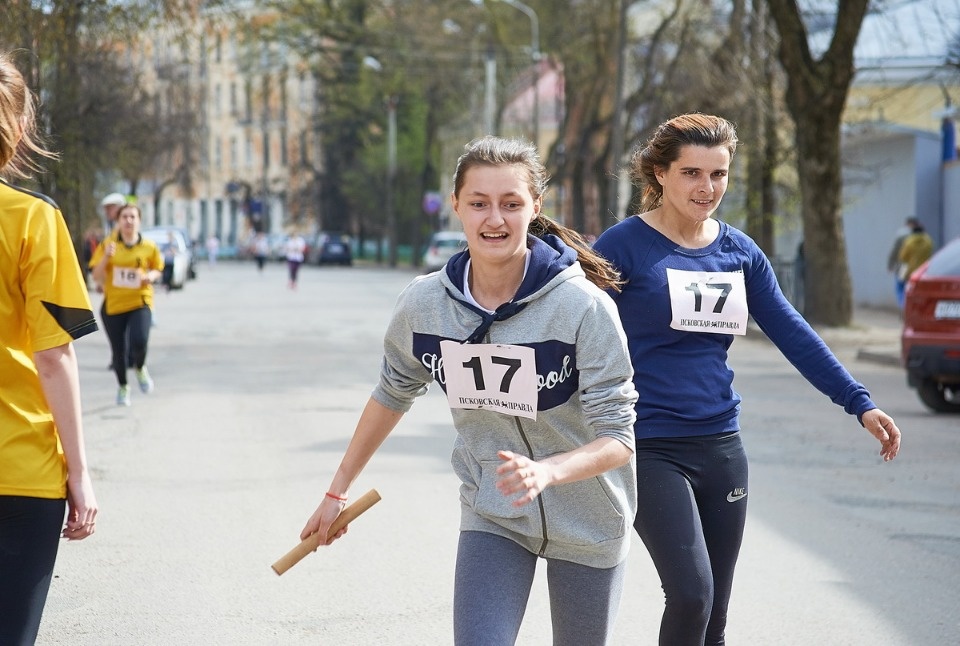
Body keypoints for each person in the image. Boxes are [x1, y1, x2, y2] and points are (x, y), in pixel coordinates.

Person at [300, 136, 639, 645]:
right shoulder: (425, 304)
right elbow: (393, 391)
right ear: (456, 205)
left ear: (536, 207)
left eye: (510, 204)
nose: (494, 220)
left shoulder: (582, 308)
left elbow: (620, 437)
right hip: (495, 513)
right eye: (479, 204)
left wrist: (546, 471)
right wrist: (336, 490)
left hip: (590, 518)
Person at [592, 113, 902, 646]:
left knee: (715, 615)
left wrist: (859, 401)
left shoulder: (739, 252)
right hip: (648, 445)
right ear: (661, 174)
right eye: (692, 172)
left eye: (719, 174)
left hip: (721, 445)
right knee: (691, 594)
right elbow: (574, 327)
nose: (706, 188)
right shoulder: (623, 247)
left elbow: (792, 332)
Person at [0, 50, 99, 645]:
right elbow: (53, 354)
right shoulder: (34, 219)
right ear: (16, 130)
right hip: (20, 470)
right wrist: (80, 474)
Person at [89, 203, 163, 406]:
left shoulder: (149, 246)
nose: (129, 221)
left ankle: (140, 368)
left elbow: (158, 268)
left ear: (139, 221)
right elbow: (96, 275)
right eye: (125, 217)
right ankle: (123, 386)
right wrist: (106, 258)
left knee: (139, 341)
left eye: (133, 217)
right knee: (118, 352)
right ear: (118, 221)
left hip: (140, 301)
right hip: (114, 305)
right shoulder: (108, 244)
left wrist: (150, 276)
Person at [897, 218, 934, 305]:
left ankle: (904, 305)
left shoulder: (909, 242)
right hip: (924, 271)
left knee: (901, 286)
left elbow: (902, 257)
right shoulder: (928, 241)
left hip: (909, 270)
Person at [887, 216, 917, 308]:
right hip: (914, 266)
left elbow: (894, 251)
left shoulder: (901, 235)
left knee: (900, 287)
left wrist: (890, 264)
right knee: (910, 287)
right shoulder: (919, 236)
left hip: (902, 265)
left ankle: (903, 307)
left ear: (906, 224)